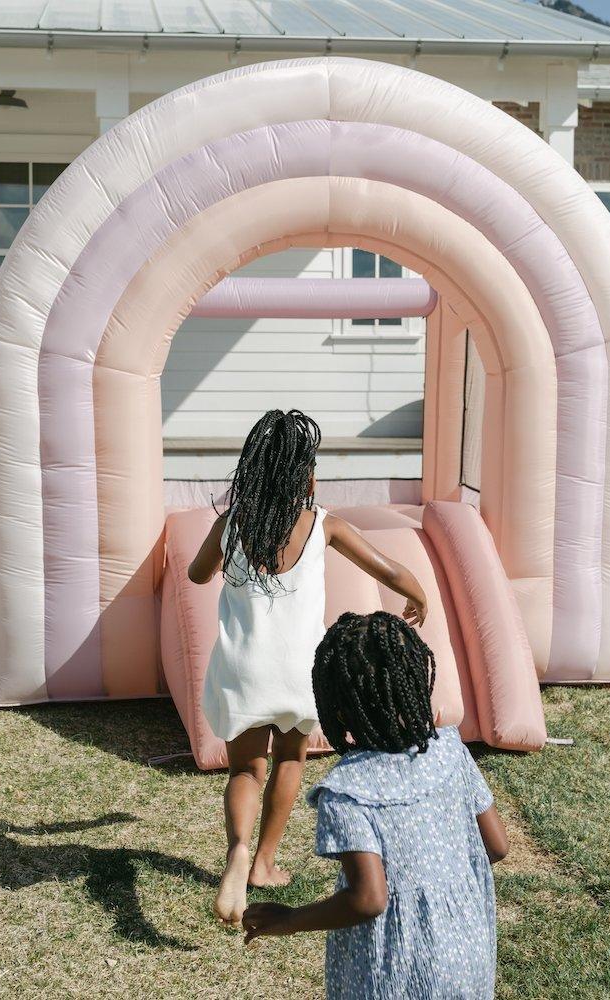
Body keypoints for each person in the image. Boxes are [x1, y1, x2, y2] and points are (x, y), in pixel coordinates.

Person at [188, 410, 429, 925]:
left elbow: (196, 573)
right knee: (290, 760)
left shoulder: (231, 524)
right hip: (300, 673)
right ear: (308, 478)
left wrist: (226, 546)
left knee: (245, 770)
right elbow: (387, 568)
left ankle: (237, 850)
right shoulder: (324, 524)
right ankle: (264, 863)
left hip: (243, 669)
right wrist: (418, 595)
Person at [242, 611, 509, 1000]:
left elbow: (368, 899)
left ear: (336, 707)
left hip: (394, 971)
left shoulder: (346, 791)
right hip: (468, 953)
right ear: (415, 683)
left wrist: (289, 920)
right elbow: (497, 846)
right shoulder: (450, 748)